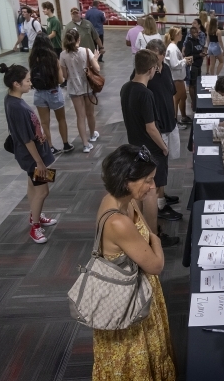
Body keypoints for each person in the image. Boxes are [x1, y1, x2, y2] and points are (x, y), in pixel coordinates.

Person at [92, 144, 176, 380]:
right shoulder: (118, 222)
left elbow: (146, 231)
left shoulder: (121, 199)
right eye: (148, 180)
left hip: (136, 288)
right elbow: (156, 266)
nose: (152, 187)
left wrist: (150, 239)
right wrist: (156, 242)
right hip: (128, 304)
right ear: (126, 180)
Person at [121, 50, 183, 243]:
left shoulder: (125, 88)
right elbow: (151, 127)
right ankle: (153, 236)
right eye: (156, 67)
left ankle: (139, 231)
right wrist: (164, 147)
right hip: (150, 149)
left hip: (135, 146)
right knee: (150, 192)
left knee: (139, 191)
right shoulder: (146, 93)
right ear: (151, 69)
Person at [0, 63, 56, 243]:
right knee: (43, 191)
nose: (31, 83)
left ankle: (35, 216)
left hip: (32, 156)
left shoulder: (11, 99)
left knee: (33, 187)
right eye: (27, 80)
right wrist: (39, 162)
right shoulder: (16, 107)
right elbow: (27, 139)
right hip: (33, 158)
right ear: (16, 84)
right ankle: (35, 227)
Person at [29, 34, 73, 155]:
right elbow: (60, 80)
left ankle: (50, 147)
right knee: (61, 119)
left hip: (39, 93)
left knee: (44, 122)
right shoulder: (53, 58)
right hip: (53, 92)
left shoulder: (32, 58)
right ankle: (66, 144)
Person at [60, 28, 101, 153]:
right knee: (90, 113)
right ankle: (93, 135)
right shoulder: (86, 51)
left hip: (74, 88)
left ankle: (85, 144)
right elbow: (97, 69)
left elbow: (65, 76)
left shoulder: (63, 55)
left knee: (80, 116)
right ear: (79, 39)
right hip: (87, 86)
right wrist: (96, 58)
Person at [164, 26, 193, 126]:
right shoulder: (172, 49)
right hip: (175, 78)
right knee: (176, 99)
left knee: (183, 96)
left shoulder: (174, 46)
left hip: (178, 77)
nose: (181, 35)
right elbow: (174, 64)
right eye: (180, 34)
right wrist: (184, 61)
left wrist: (184, 60)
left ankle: (183, 117)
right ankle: (174, 120)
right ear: (176, 35)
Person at [184, 26, 205, 112]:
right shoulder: (189, 43)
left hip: (199, 66)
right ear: (191, 34)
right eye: (195, 33)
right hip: (193, 66)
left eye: (197, 32)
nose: (197, 34)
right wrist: (198, 56)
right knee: (192, 85)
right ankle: (193, 101)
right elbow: (188, 56)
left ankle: (197, 100)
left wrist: (202, 54)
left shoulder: (198, 42)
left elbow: (198, 51)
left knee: (197, 84)